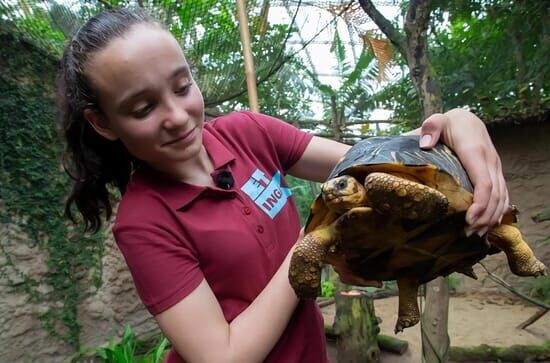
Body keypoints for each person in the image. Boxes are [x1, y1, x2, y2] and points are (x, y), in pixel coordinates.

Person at [57, 7, 509, 363]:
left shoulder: (247, 133)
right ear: (103, 122)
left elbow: (368, 162)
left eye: (182, 86)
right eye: (142, 109)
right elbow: (222, 356)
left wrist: (456, 123)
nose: (176, 116)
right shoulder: (144, 223)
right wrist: (315, 242)